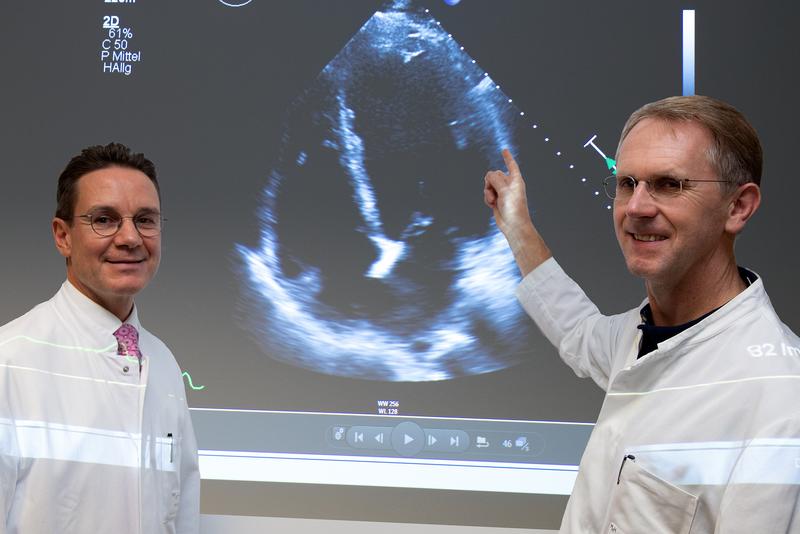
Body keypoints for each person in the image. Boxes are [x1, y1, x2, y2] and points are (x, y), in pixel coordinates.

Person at [484, 95, 800, 533]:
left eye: (670, 184)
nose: (636, 208)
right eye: (627, 182)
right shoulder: (638, 337)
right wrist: (516, 223)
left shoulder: (781, 403)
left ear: (738, 207)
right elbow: (578, 331)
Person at [0, 143, 200, 533]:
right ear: (63, 236)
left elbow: (181, 514)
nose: (130, 238)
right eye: (104, 220)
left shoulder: (163, 364)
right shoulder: (9, 360)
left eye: (145, 219)